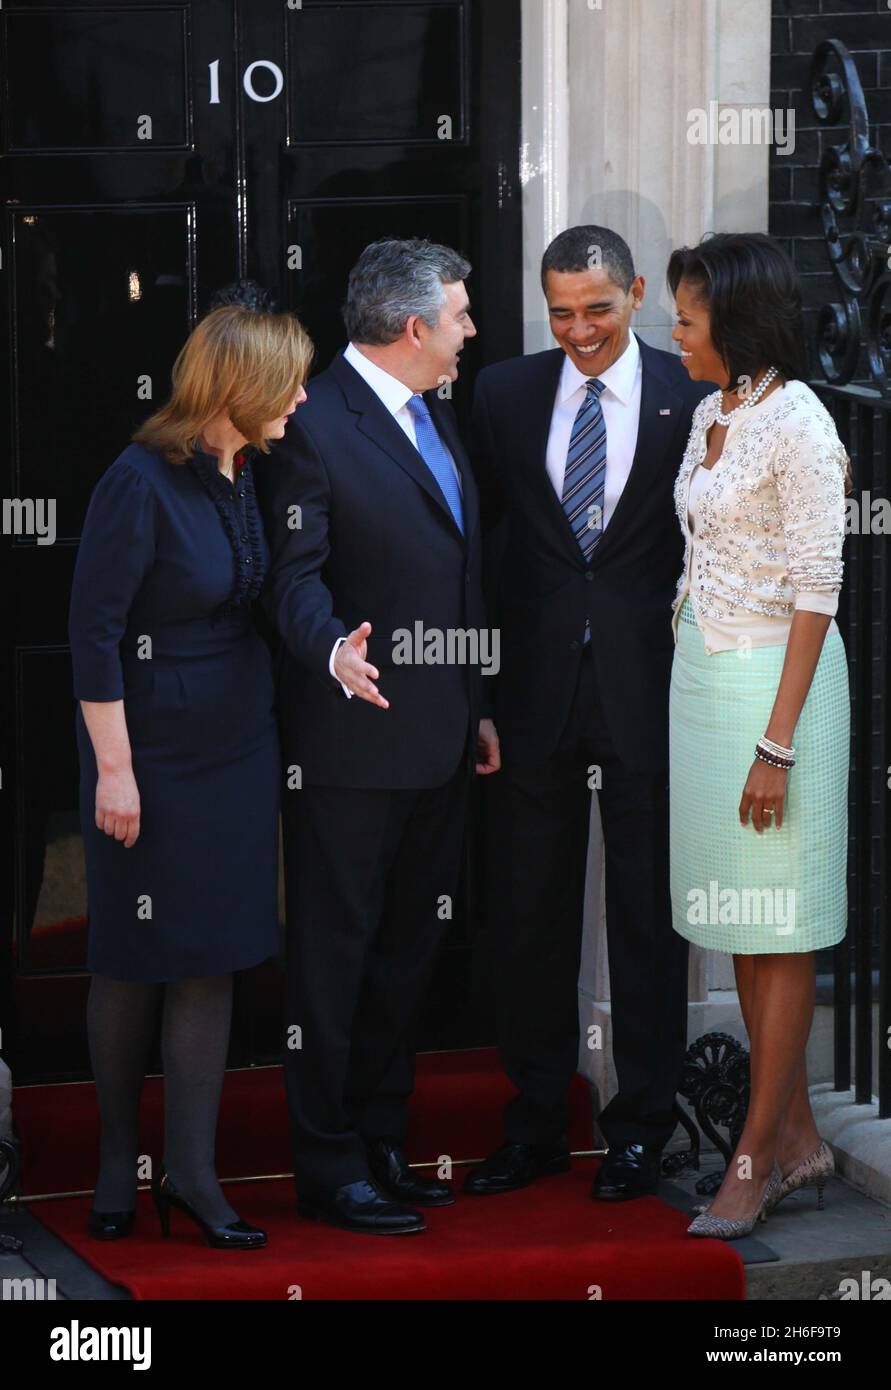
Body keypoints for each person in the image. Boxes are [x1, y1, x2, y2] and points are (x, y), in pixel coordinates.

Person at [464, 225, 714, 1202]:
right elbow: (480, 545)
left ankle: (642, 1129)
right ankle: (532, 1122)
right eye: (561, 312)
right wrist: (476, 689)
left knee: (650, 920)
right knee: (528, 915)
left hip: (651, 696)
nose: (578, 331)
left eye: (597, 310)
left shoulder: (692, 400)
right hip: (530, 700)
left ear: (638, 293)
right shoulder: (503, 392)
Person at [255, 238, 500, 1236]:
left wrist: (477, 698)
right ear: (412, 328)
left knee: (409, 951)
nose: (472, 330)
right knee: (335, 956)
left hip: (441, 737)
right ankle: (326, 1162)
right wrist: (330, 654)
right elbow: (292, 575)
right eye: (461, 314)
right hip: (349, 748)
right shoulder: (315, 421)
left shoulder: (437, 412)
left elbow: (454, 567)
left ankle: (382, 1139)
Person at [69, 305, 312, 1248]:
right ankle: (115, 1164)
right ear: (239, 390)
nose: (300, 397)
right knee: (134, 959)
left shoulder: (241, 469)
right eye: (287, 382)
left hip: (235, 747)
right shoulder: (139, 479)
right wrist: (116, 774)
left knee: (212, 956)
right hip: (148, 755)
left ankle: (195, 1176)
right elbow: (93, 633)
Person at [667, 233, 850, 1239]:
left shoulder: (801, 422)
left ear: (734, 321)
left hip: (779, 688)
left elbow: (819, 590)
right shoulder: (710, 411)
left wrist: (776, 744)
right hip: (703, 679)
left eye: (688, 318)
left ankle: (752, 1155)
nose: (676, 331)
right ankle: (799, 1136)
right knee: (741, 917)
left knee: (779, 919)